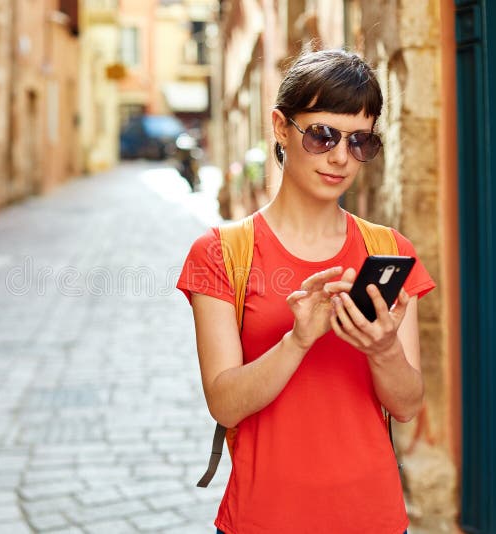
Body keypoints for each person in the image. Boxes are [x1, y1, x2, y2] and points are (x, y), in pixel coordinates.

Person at [176, 49, 435, 534]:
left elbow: (407, 405)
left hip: (374, 518)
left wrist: (382, 350)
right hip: (262, 520)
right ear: (280, 127)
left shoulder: (389, 250)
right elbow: (225, 404)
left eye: (360, 142)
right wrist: (297, 340)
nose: (341, 157)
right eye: (322, 135)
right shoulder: (221, 253)